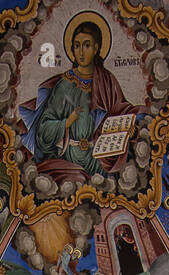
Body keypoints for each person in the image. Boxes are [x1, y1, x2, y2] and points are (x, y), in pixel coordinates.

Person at [20, 18, 134, 184]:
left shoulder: (107, 81)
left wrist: (127, 131)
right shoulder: (65, 85)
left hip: (99, 161)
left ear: (96, 48)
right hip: (68, 158)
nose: (81, 52)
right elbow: (43, 130)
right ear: (71, 48)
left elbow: (121, 112)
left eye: (87, 45)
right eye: (77, 45)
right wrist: (66, 122)